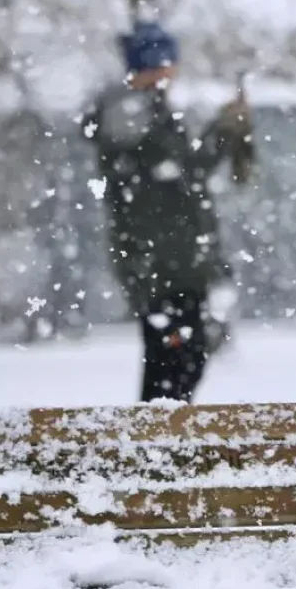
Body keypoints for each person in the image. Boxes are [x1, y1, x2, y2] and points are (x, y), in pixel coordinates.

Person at [82, 20, 251, 403]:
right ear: (154, 66)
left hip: (172, 262)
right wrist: (223, 132)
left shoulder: (143, 112)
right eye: (167, 63)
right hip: (162, 265)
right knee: (174, 359)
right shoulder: (131, 114)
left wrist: (223, 131)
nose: (173, 72)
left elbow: (182, 171)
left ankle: (160, 440)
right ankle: (156, 443)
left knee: (178, 358)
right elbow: (182, 172)